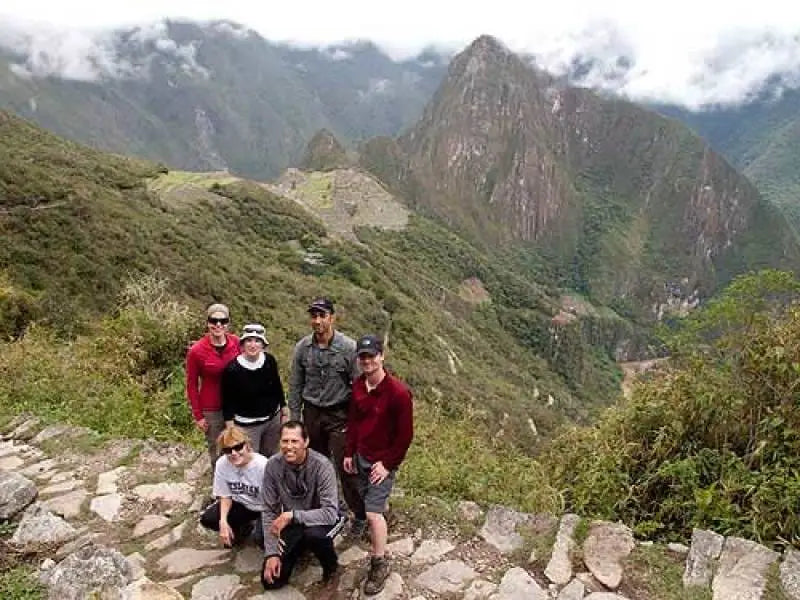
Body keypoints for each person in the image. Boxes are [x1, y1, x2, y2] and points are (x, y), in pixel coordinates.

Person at [344, 334, 413, 596]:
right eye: (362, 356)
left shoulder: (398, 394)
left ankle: (379, 562)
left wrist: (387, 464)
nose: (367, 361)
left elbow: (405, 436)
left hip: (381, 462)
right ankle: (381, 519)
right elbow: (353, 423)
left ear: (382, 356)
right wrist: (349, 453)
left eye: (371, 356)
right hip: (361, 456)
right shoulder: (359, 386)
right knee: (368, 504)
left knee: (372, 513)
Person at [288, 297, 362, 534]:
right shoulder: (302, 348)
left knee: (345, 467)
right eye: (314, 316)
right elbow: (296, 385)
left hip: (339, 414)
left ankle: (359, 515)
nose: (317, 321)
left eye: (322, 315)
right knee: (316, 466)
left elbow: (359, 387)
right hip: (311, 414)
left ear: (332, 317)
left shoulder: (348, 348)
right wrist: (294, 418)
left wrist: (357, 421)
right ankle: (328, 510)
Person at [261, 420, 344, 599]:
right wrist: (272, 553)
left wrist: (292, 516)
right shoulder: (272, 466)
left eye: (294, 441)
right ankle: (300, 548)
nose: (289, 446)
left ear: (305, 442)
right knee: (271, 581)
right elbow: (269, 510)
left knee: (314, 535)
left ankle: (332, 571)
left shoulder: (322, 466)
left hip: (326, 518)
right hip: (296, 520)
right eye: (285, 441)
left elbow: (330, 513)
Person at [186, 303, 240, 470]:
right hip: (212, 408)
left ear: (228, 323)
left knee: (239, 445)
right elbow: (192, 384)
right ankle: (219, 488)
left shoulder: (237, 343)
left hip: (237, 405)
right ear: (208, 322)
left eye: (223, 321)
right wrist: (198, 416)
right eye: (214, 320)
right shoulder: (197, 351)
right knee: (217, 449)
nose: (218, 325)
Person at [222, 323, 285, 457]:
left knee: (271, 457)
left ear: (263, 345)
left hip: (272, 421)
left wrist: (284, 409)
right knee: (249, 460)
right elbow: (227, 401)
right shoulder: (232, 369)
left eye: (257, 341)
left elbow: (277, 386)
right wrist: (231, 428)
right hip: (247, 426)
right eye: (249, 340)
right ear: (243, 344)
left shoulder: (269, 361)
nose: (253, 345)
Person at [200, 426, 267, 548]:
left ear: (247, 445)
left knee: (261, 539)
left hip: (264, 507)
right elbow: (225, 495)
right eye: (227, 450)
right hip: (242, 505)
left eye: (238, 447)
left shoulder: (263, 466)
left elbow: (275, 501)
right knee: (208, 518)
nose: (234, 453)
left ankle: (257, 528)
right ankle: (241, 528)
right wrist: (223, 521)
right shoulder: (222, 464)